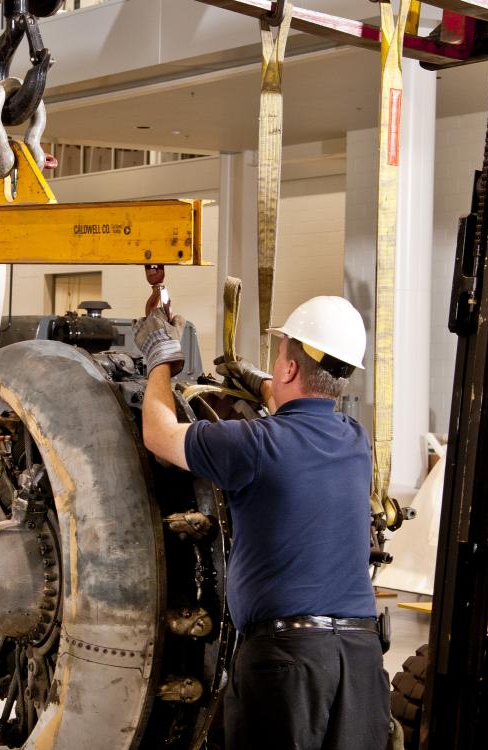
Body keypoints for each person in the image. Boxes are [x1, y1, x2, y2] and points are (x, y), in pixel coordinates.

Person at [135, 296, 390, 750]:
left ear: (290, 369)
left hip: (287, 664)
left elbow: (158, 434)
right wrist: (254, 377)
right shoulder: (355, 440)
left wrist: (160, 360)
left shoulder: (252, 446)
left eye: (279, 356)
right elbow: (288, 396)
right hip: (360, 660)